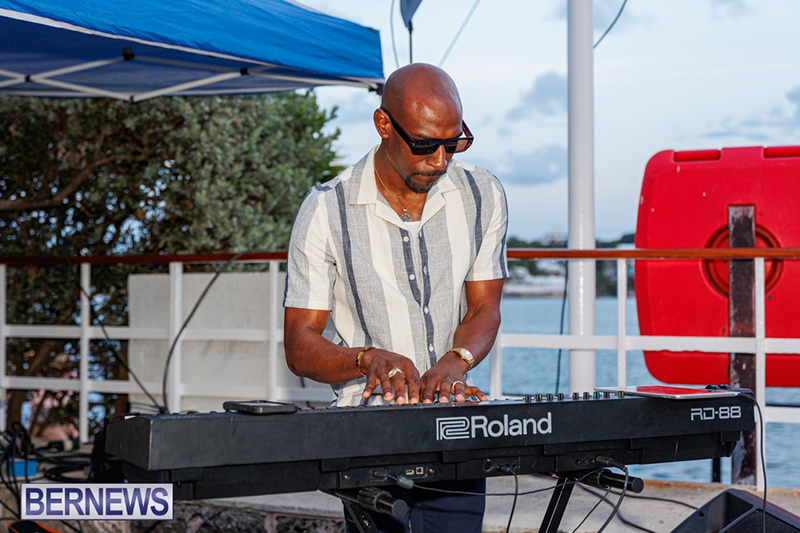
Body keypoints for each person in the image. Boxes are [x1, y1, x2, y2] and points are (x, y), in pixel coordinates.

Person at [283, 63, 508, 533]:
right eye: (425, 144)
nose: (442, 160)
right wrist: (367, 359)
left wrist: (458, 359)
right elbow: (300, 344)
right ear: (384, 124)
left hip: (455, 427)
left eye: (455, 142)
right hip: (368, 436)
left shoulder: (483, 195)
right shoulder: (326, 210)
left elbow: (485, 307)